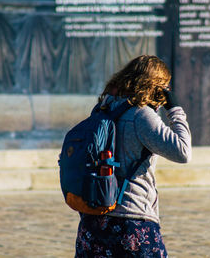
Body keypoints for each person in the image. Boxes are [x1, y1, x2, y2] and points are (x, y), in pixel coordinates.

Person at [75, 55, 192, 257]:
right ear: (156, 86)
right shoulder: (141, 115)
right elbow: (182, 152)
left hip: (93, 219)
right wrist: (175, 110)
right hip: (132, 221)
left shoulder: (103, 108)